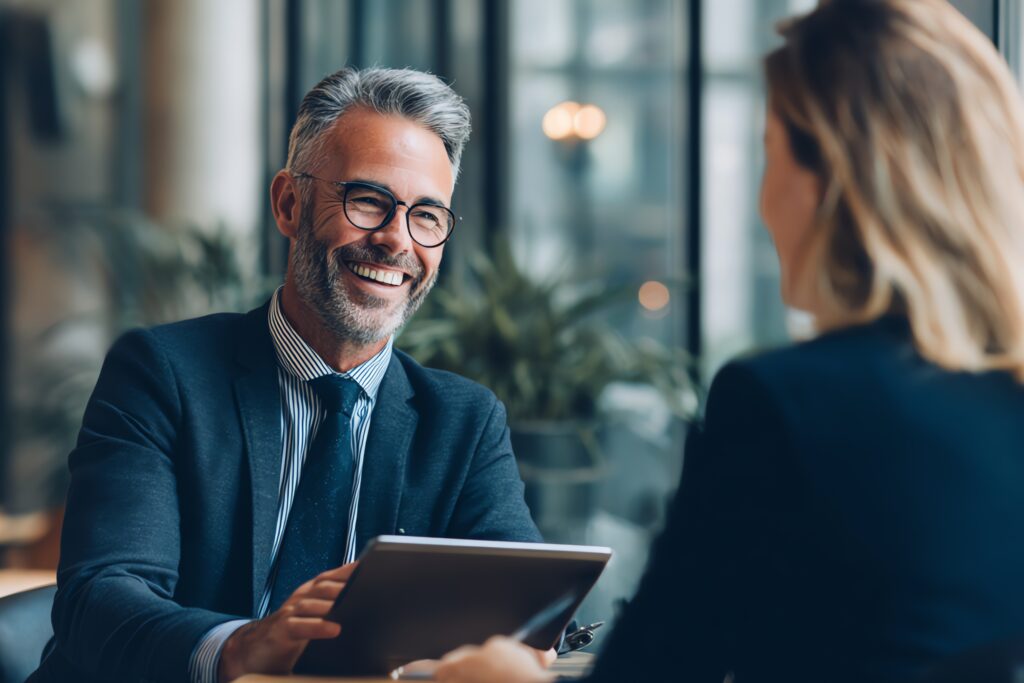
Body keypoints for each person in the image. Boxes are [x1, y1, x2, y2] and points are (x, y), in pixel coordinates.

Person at [432, 1, 1024, 682]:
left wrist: (493, 673)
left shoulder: (790, 406)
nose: (762, 200)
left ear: (829, 178)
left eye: (769, 154)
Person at [29, 67, 543, 683]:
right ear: (289, 203)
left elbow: (525, 609)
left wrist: (526, 639)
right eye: (368, 200)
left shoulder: (465, 420)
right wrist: (243, 647)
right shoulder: (163, 374)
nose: (395, 240)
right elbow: (100, 599)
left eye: (426, 216)